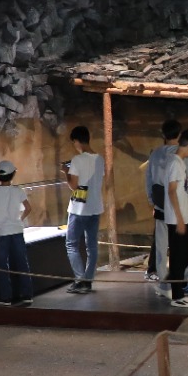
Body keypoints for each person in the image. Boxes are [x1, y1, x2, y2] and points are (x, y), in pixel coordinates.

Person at [63, 125, 105, 294]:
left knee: (71, 244)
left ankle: (80, 280)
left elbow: (73, 185)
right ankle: (88, 281)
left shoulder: (77, 160)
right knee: (92, 246)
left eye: (74, 142)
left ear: (77, 141)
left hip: (79, 209)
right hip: (95, 207)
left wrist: (66, 172)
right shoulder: (100, 159)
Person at [0, 159, 31, 306]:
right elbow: (28, 208)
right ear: (13, 174)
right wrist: (20, 219)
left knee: (2, 265)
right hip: (16, 230)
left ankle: (5, 297)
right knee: (22, 262)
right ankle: (27, 295)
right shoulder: (18, 191)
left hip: (1, 233)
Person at [162, 129, 188, 308]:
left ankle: (169, 282)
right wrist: (178, 218)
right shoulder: (175, 163)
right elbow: (171, 191)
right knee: (178, 256)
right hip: (177, 219)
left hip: (185, 218)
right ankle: (177, 296)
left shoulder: (179, 163)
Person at [142, 119, 182, 281]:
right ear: (179, 134)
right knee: (178, 240)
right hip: (177, 202)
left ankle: (156, 271)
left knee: (160, 240)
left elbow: (149, 179)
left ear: (163, 135)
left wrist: (151, 200)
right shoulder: (182, 154)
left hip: (160, 200)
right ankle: (178, 274)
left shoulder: (155, 154)